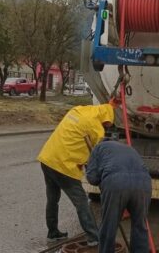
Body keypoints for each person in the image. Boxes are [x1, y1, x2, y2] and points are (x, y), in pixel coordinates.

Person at [37, 101, 116, 245]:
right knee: (81, 202)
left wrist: (111, 104)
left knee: (52, 199)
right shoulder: (97, 128)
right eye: (107, 124)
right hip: (64, 166)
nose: (106, 126)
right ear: (106, 119)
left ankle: (53, 232)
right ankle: (94, 237)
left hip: (47, 159)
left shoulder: (79, 110)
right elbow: (95, 156)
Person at [86, 140, 152, 253]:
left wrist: (89, 169)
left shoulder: (98, 148)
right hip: (144, 182)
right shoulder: (129, 148)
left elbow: (92, 178)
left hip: (116, 182)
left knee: (109, 226)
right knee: (140, 226)